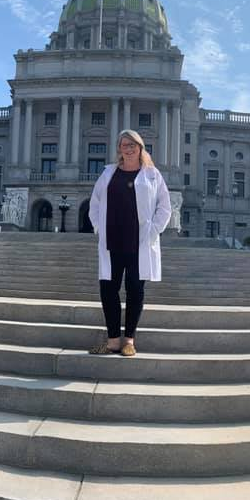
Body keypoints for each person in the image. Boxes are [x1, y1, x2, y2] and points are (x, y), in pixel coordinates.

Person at [87, 129, 171, 357]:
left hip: (139, 242)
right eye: (124, 145)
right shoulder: (108, 174)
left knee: (135, 291)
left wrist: (154, 230)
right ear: (119, 149)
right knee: (108, 290)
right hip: (112, 240)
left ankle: (129, 341)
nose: (129, 148)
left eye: (133, 144)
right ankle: (113, 340)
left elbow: (165, 206)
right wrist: (97, 226)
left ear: (141, 148)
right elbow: (94, 203)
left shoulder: (152, 174)